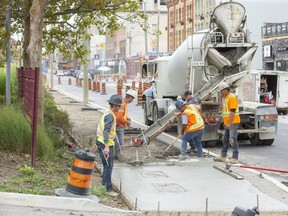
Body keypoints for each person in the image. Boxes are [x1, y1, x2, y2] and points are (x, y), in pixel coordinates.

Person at [89, 94, 122, 197]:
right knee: (108, 166)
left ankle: (104, 185)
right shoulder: (110, 116)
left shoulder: (107, 114)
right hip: (106, 145)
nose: (120, 108)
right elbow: (105, 131)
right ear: (115, 105)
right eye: (119, 106)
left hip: (101, 143)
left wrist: (97, 142)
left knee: (106, 166)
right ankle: (108, 189)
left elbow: (100, 130)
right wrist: (107, 147)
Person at [214, 82, 240, 164]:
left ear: (226, 90)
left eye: (221, 91)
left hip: (233, 122)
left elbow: (232, 111)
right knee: (225, 139)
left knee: (232, 139)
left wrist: (229, 123)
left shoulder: (231, 97)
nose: (220, 93)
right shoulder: (226, 98)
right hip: (228, 122)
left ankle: (235, 157)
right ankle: (223, 156)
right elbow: (224, 109)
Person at [115, 89, 137, 160]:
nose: (132, 101)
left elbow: (121, 115)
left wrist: (127, 117)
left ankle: (116, 155)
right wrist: (127, 122)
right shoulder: (122, 104)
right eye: (132, 99)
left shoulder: (124, 103)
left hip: (118, 125)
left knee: (117, 141)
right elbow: (119, 117)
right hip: (118, 125)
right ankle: (120, 156)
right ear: (130, 97)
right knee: (120, 142)